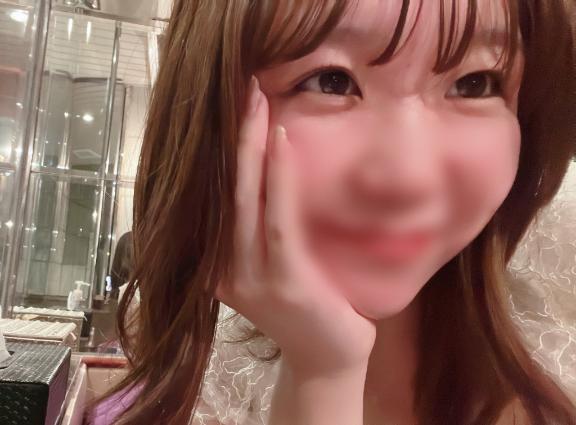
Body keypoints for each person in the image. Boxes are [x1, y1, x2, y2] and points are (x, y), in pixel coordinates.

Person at [86, 0, 576, 424]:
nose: (410, 178)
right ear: (211, 111)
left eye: (474, 84)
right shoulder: (199, 387)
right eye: (331, 81)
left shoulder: (559, 324)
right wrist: (322, 370)